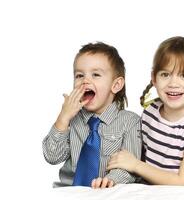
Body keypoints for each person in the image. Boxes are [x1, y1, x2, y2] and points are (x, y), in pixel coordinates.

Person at [107, 36, 184, 185]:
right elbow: (139, 154)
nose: (173, 83)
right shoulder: (151, 112)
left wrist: (135, 165)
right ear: (154, 78)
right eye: (165, 74)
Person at [42, 42, 141, 188]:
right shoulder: (71, 119)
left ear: (116, 85)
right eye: (79, 75)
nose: (85, 80)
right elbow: (52, 156)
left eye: (96, 75)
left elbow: (130, 164)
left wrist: (110, 180)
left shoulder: (130, 122)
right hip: (70, 191)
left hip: (110, 192)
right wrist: (63, 118)